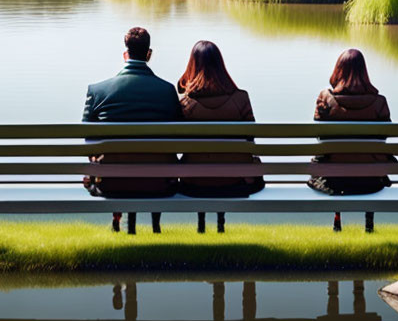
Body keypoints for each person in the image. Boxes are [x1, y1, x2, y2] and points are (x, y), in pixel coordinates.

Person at [82, 27, 182, 234]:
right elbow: (177, 137)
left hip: (110, 184)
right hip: (160, 184)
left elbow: (88, 140)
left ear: (125, 54)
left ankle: (117, 220)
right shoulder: (167, 90)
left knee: (107, 158)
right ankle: (155, 226)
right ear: (149, 54)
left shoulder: (98, 91)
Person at [177, 40, 264, 233]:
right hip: (235, 182)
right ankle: (220, 225)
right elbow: (250, 141)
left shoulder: (185, 104)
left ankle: (201, 226)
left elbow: (177, 145)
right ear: (220, 65)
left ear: (192, 65)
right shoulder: (241, 98)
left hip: (193, 183)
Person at [308, 48, 397, 232]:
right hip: (371, 180)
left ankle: (337, 219)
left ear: (338, 70)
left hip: (334, 179)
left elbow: (320, 136)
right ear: (364, 72)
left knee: (334, 158)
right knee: (369, 157)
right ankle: (369, 223)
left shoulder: (325, 98)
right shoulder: (379, 102)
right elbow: (383, 137)